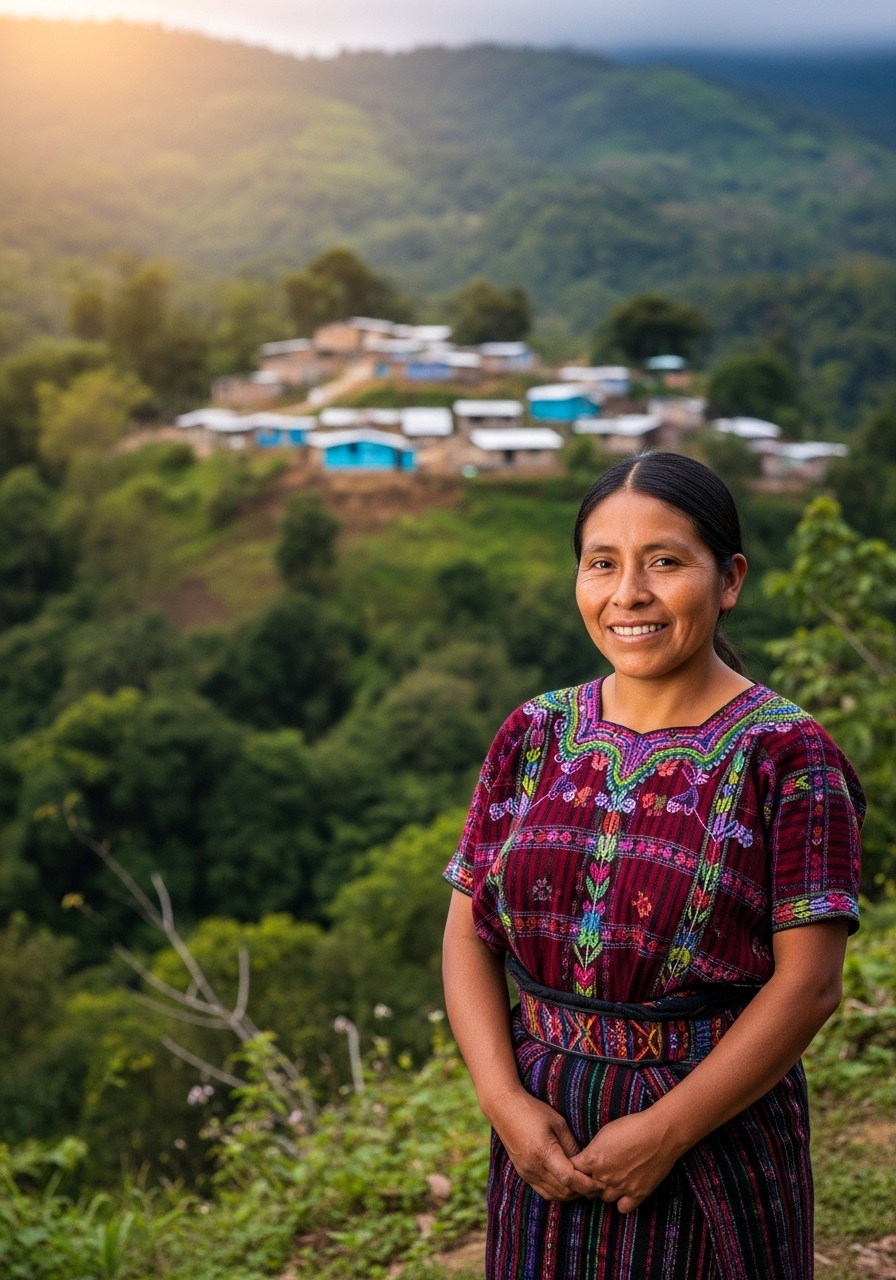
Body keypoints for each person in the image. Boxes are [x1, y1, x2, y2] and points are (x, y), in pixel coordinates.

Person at [442, 452, 863, 1280]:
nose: (628, 593)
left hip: (711, 1142)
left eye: (664, 562)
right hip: (542, 1142)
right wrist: (504, 1103)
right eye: (602, 564)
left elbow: (810, 985)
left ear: (729, 579)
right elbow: (468, 934)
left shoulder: (788, 755)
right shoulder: (533, 734)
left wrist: (665, 1131)